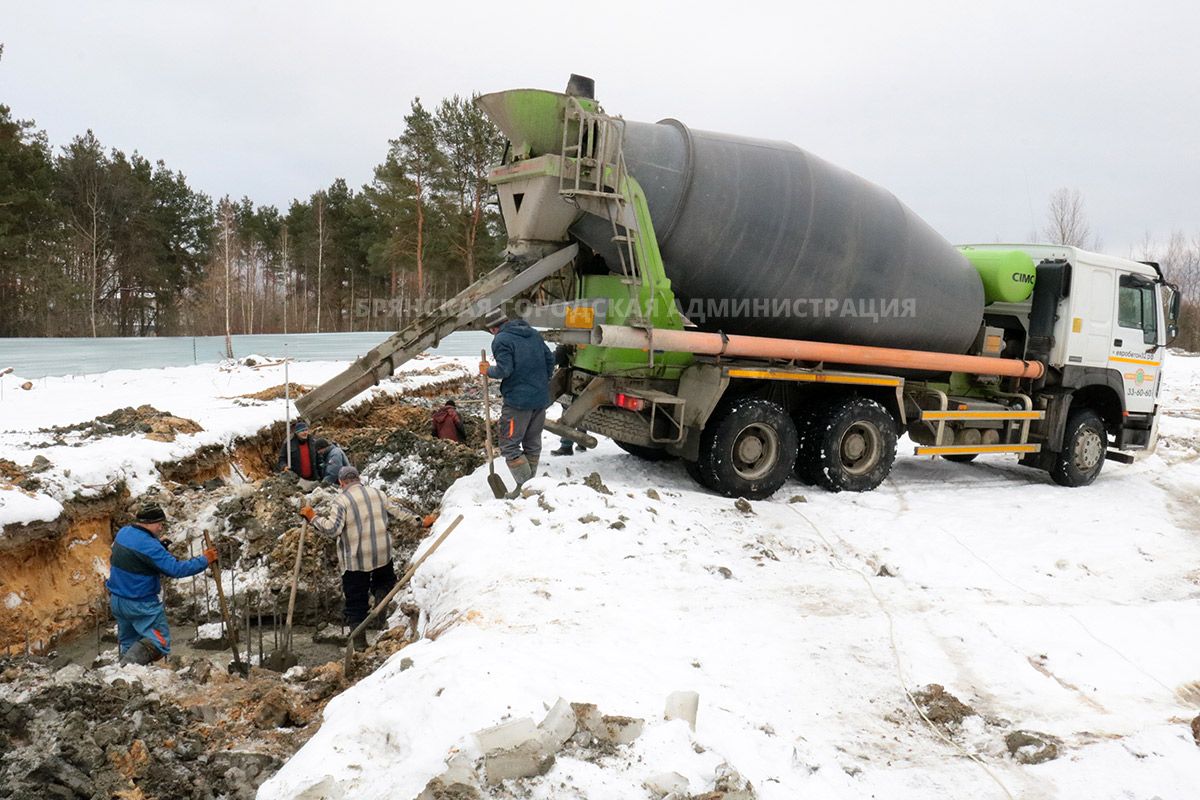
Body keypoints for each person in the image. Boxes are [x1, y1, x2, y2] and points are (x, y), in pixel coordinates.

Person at [300, 466, 407, 651]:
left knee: (356, 600)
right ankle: (381, 604)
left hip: (356, 558)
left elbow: (333, 529)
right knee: (384, 582)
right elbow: (398, 511)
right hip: (382, 552)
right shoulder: (377, 493)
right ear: (359, 479)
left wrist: (313, 517)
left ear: (341, 483)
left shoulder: (342, 501)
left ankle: (359, 643)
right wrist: (421, 521)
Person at [106, 503, 216, 665]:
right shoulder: (150, 546)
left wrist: (159, 547)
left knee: (129, 642)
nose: (160, 528)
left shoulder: (124, 533)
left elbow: (136, 557)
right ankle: (125, 667)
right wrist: (205, 559)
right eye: (159, 524)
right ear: (150, 523)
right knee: (159, 642)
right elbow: (176, 569)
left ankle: (125, 679)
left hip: (117, 601)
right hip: (140, 604)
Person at [480, 307, 555, 496]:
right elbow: (549, 361)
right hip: (539, 399)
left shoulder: (501, 340)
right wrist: (539, 384)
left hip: (517, 402)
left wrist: (487, 371)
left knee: (509, 445)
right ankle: (529, 488)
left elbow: (505, 370)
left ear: (492, 329)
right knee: (532, 442)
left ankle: (525, 487)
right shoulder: (533, 334)